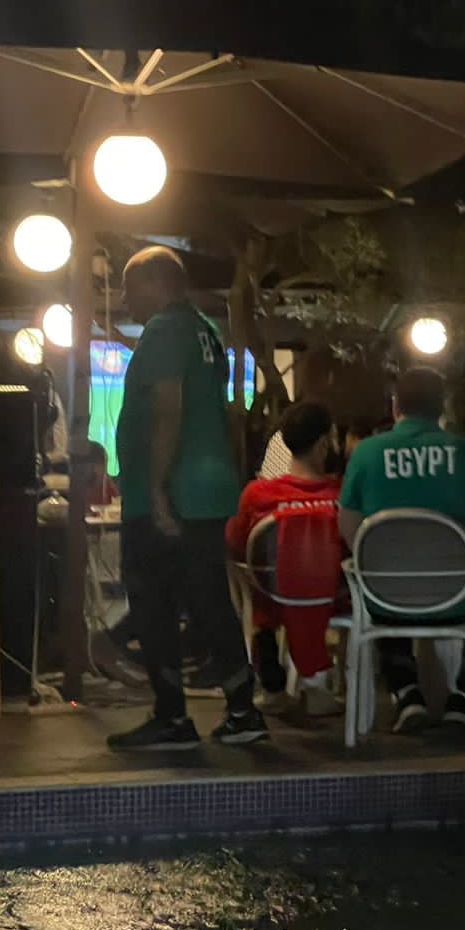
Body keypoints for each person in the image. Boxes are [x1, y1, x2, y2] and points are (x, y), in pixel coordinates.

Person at [108, 246, 266, 751]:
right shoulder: (205, 330)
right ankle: (242, 709)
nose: (124, 299)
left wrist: (156, 490)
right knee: (207, 599)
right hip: (207, 487)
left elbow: (167, 408)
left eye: (129, 287)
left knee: (153, 601)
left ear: (156, 283)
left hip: (171, 491)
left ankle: (172, 717)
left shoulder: (164, 330)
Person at [340, 368, 465, 733]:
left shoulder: (366, 453)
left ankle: (408, 694)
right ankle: (464, 699)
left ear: (396, 406)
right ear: (442, 408)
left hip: (386, 598)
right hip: (458, 597)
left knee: (377, 583)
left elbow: (348, 527)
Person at [225, 401, 346, 719]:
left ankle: (272, 685)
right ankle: (317, 683)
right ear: (324, 444)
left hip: (272, 598)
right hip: (332, 599)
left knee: (256, 597)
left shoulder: (257, 495)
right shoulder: (341, 496)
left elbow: (235, 545)